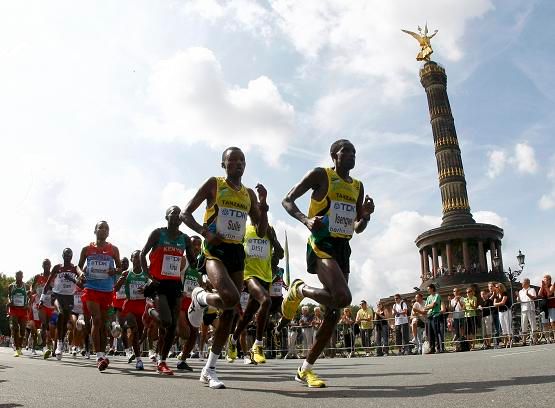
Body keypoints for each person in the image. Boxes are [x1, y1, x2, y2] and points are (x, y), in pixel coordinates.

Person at [281, 139, 374, 387]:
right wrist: (306, 220)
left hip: (343, 248)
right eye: (347, 152)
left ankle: (305, 369)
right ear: (334, 155)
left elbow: (357, 226)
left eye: (355, 152)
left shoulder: (357, 186)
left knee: (333, 314)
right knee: (343, 297)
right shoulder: (321, 175)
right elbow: (287, 200)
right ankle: (299, 289)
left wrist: (365, 216)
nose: (352, 156)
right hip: (322, 244)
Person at [181, 146, 268, 389]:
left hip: (236, 253)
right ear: (223, 164)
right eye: (232, 160)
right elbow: (186, 214)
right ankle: (200, 297)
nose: (238, 164)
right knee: (230, 297)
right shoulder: (214, 184)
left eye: (242, 160)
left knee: (230, 311)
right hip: (214, 251)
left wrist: (263, 206)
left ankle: (210, 369)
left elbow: (260, 231)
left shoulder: (248, 194)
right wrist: (204, 233)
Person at [141, 206, 196, 375]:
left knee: (172, 327)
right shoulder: (158, 234)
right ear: (166, 216)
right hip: (159, 283)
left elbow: (193, 262)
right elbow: (143, 254)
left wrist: (199, 257)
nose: (176, 216)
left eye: (179, 214)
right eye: (173, 213)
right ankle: (151, 311)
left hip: (175, 284)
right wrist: (149, 276)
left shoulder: (185, 238)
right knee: (167, 322)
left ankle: (162, 361)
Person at [227, 224, 283, 364]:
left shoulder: (269, 229)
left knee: (247, 316)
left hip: (265, 277)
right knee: (266, 301)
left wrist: (273, 239)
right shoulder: (244, 229)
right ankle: (258, 345)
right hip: (248, 275)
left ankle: (233, 340)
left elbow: (280, 253)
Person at [77, 220, 122, 371]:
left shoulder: (113, 249)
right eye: (100, 227)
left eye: (106, 228)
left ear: (108, 232)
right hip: (91, 288)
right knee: (96, 319)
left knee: (103, 323)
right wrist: (81, 273)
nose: (103, 230)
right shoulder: (86, 249)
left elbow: (120, 267)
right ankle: (98, 356)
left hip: (107, 290)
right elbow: (78, 266)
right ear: (95, 231)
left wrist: (114, 271)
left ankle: (102, 355)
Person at [115, 250, 149, 370]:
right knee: (134, 329)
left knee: (138, 333)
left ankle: (135, 351)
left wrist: (146, 288)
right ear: (131, 259)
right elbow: (116, 289)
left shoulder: (146, 273)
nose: (138, 259)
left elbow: (154, 285)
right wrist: (120, 280)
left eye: (140, 257)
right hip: (130, 305)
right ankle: (139, 360)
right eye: (135, 257)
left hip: (142, 306)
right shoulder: (126, 273)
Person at [46, 248, 79, 360]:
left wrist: (72, 278)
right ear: (62, 256)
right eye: (65, 255)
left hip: (69, 297)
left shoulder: (74, 268)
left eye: (69, 255)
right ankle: (59, 344)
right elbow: (48, 283)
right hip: (57, 295)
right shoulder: (57, 267)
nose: (67, 257)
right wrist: (41, 299)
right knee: (60, 313)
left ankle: (60, 341)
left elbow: (81, 283)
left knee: (65, 322)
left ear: (72, 256)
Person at [177, 236, 203, 371]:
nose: (197, 248)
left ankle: (182, 360)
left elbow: (201, 282)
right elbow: (172, 276)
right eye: (194, 245)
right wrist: (178, 290)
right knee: (183, 332)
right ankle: (159, 356)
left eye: (199, 245)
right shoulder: (183, 260)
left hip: (192, 303)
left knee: (193, 333)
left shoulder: (199, 265)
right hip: (180, 301)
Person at [32, 259, 56, 358]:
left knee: (52, 327)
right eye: (45, 264)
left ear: (50, 266)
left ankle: (53, 347)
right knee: (44, 324)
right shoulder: (38, 277)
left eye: (48, 264)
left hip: (52, 305)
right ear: (42, 266)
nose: (46, 266)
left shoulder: (54, 276)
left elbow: (58, 288)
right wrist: (31, 292)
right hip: (41, 304)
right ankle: (45, 347)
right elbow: (32, 287)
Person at [8, 271, 29, 357]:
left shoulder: (26, 286)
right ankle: (17, 349)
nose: (19, 277)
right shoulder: (11, 286)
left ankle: (20, 347)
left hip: (23, 310)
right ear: (15, 276)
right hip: (14, 310)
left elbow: (28, 297)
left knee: (23, 330)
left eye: (20, 276)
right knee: (16, 328)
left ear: (22, 276)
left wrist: (27, 304)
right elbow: (9, 296)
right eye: (17, 275)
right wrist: (10, 302)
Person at [424, 283, 443, 353]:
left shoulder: (437, 295)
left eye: (428, 289)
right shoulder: (428, 297)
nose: (428, 290)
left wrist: (430, 306)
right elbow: (425, 307)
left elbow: (434, 305)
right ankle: (432, 348)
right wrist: (430, 306)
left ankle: (438, 348)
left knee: (436, 332)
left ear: (432, 288)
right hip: (429, 316)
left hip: (435, 315)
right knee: (430, 333)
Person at [518, 278, 537, 345]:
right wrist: (517, 296)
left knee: (532, 324)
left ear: (527, 283)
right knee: (523, 325)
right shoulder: (520, 291)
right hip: (523, 309)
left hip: (530, 308)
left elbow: (534, 298)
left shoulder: (532, 289)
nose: (521, 284)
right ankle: (524, 341)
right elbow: (519, 301)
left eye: (523, 282)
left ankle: (534, 340)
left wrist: (528, 294)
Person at [493, 283, 512, 348]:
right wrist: (499, 304)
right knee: (503, 327)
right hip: (500, 312)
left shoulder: (505, 293)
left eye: (496, 287)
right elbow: (494, 304)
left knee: (508, 326)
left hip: (506, 311)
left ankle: (510, 341)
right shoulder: (496, 295)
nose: (495, 288)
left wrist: (498, 304)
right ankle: (506, 342)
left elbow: (503, 302)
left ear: (500, 287)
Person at [538, 275, 555, 342]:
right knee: (545, 323)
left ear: (549, 280)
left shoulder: (552, 286)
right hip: (544, 307)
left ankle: (554, 336)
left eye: (546, 280)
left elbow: (549, 294)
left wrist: (545, 287)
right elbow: (539, 294)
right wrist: (542, 287)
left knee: (552, 322)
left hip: (551, 306)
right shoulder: (542, 287)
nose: (545, 281)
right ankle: (548, 338)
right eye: (544, 280)